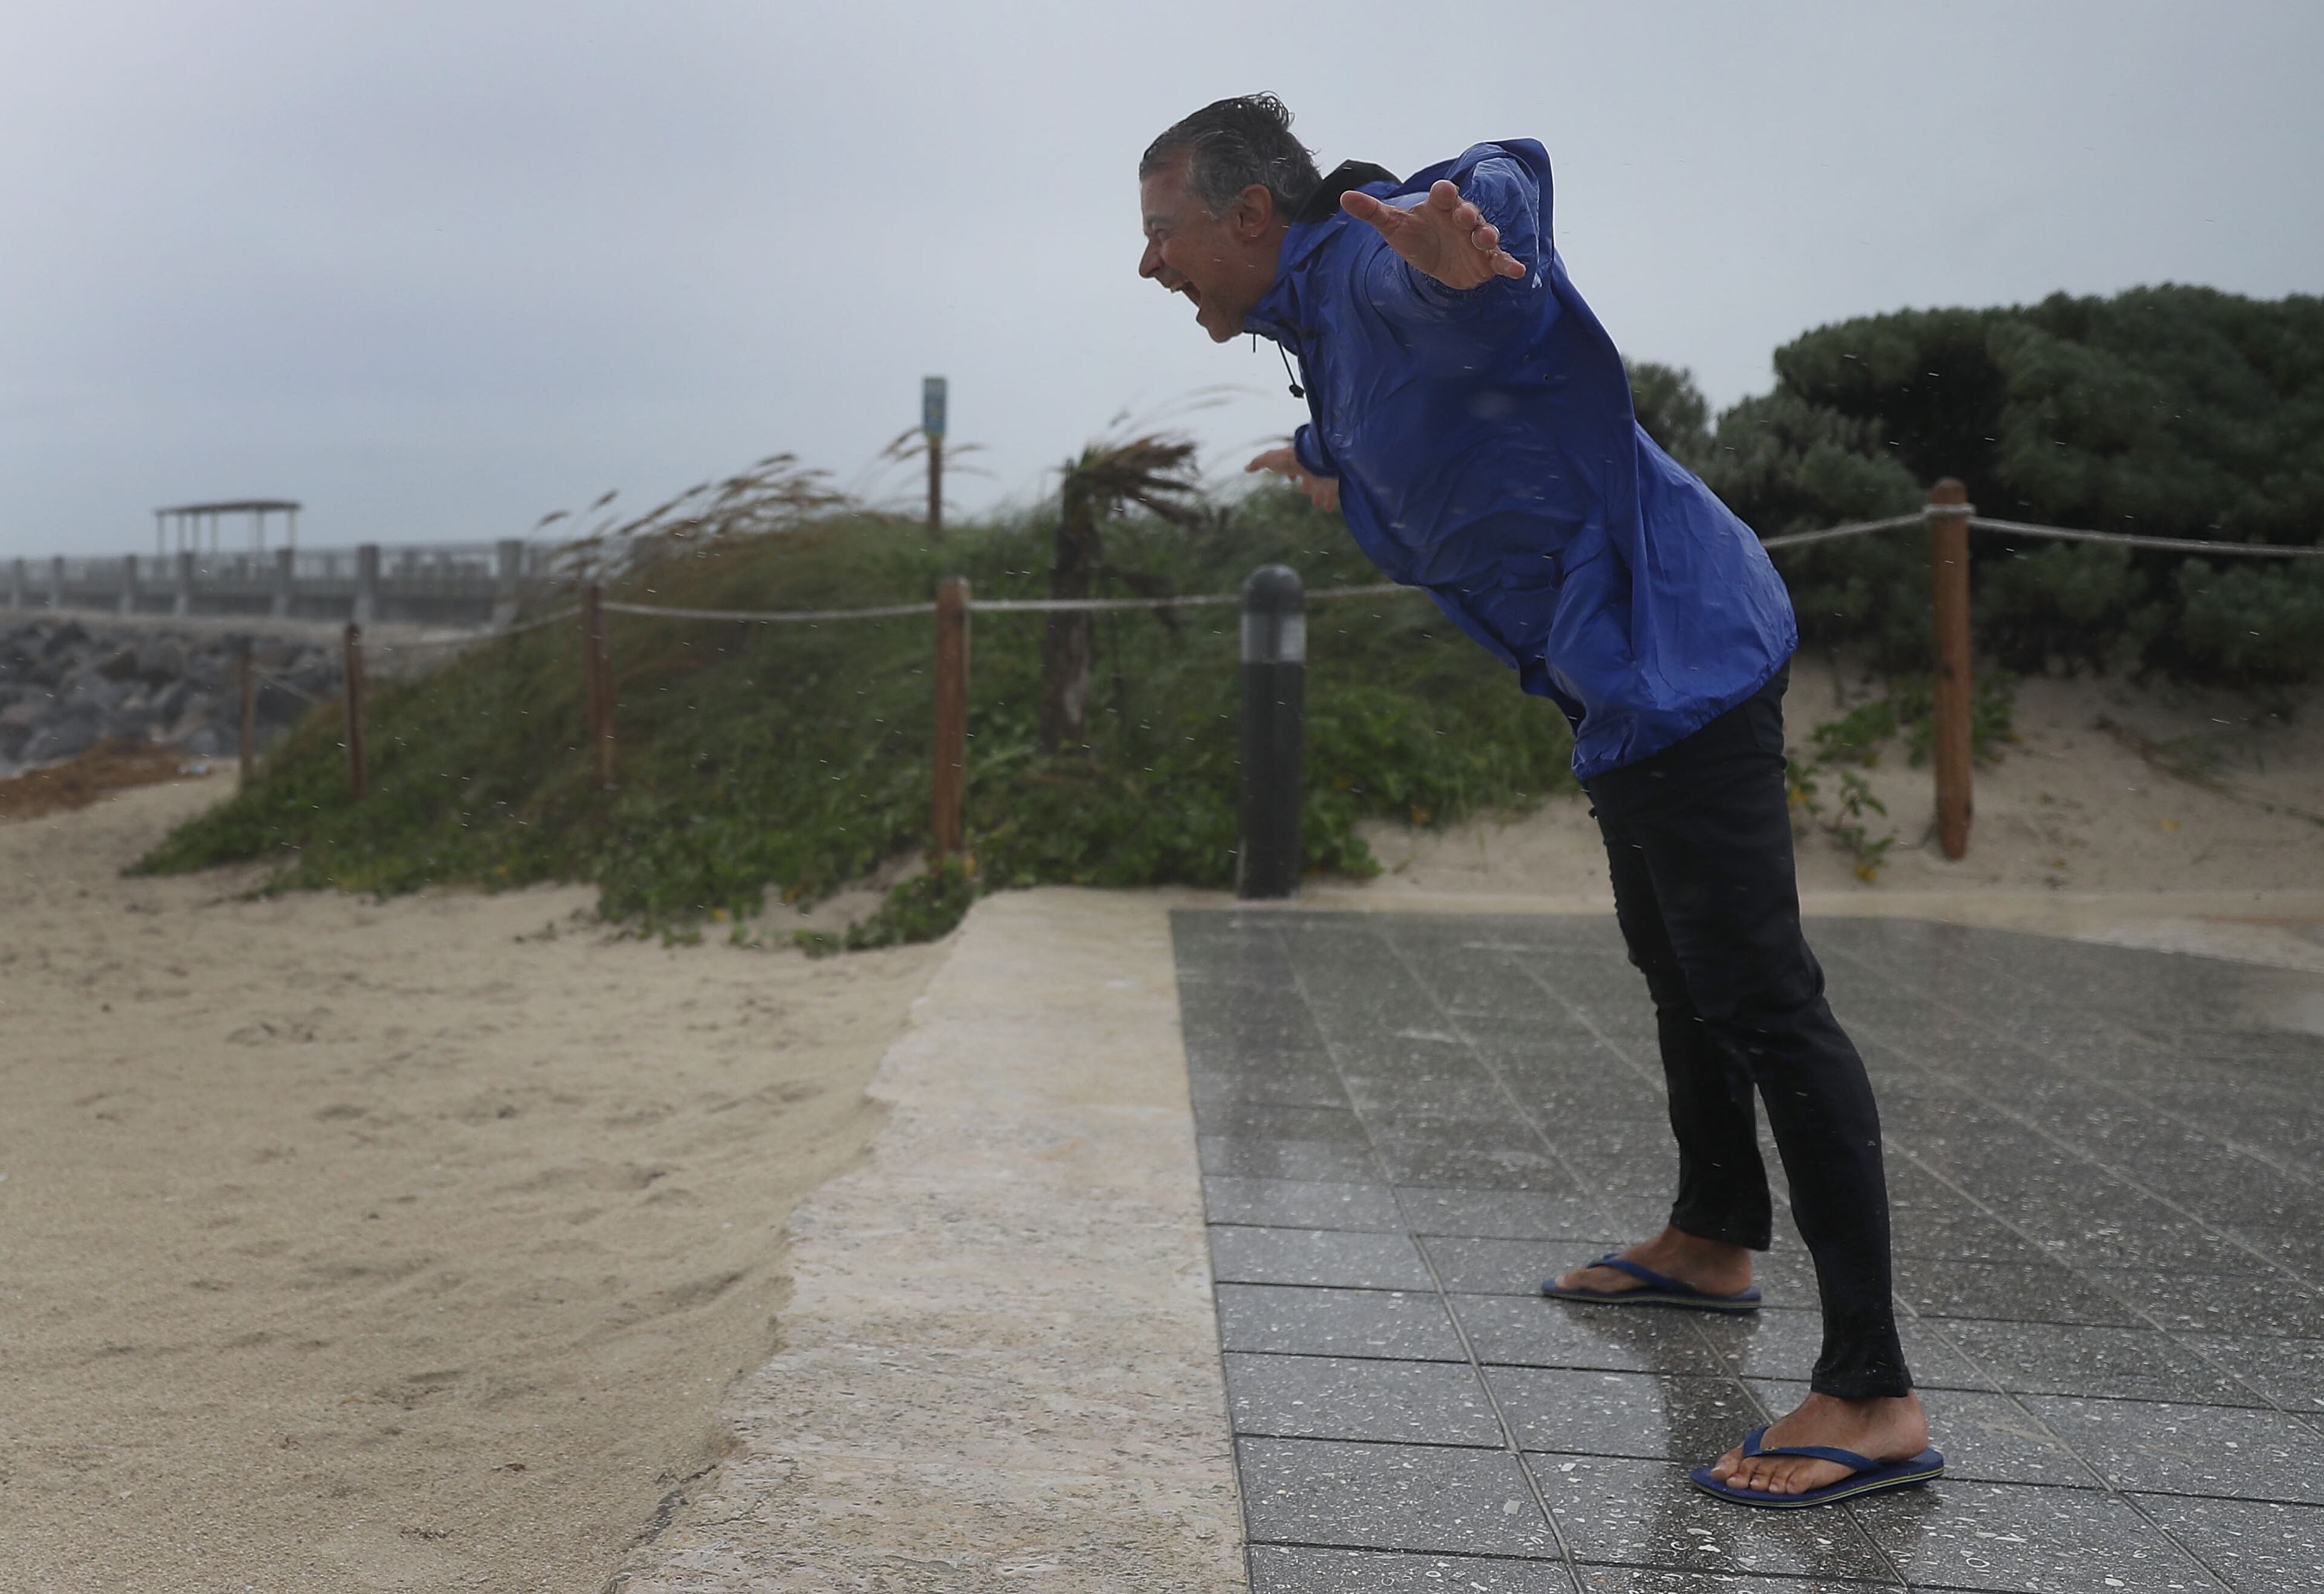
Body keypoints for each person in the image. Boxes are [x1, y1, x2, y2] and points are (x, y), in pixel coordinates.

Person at [1136, 94, 1941, 1507]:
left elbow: (1486, 257)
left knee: (1761, 995)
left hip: (1676, 647)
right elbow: (1431, 409)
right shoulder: (1318, 321)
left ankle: (1873, 1392)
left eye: (1163, 233)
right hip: (1616, 671)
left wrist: (1478, 238)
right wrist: (1330, 464)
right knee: (1676, 964)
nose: (1150, 264)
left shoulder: (1384, 268)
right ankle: (1713, 1233)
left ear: (1250, 214)